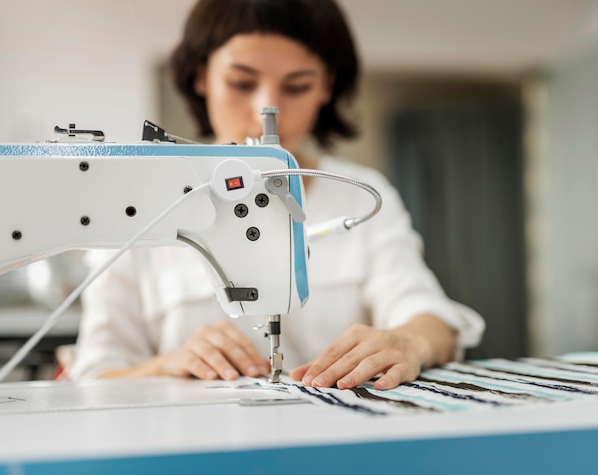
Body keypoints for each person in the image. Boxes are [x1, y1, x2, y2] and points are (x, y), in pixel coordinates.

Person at [69, 0, 484, 390]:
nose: (267, 108)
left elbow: (428, 317)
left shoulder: (360, 198)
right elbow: (95, 375)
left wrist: (408, 341)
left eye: (298, 86)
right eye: (242, 82)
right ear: (201, 77)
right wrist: (164, 366)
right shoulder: (141, 205)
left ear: (327, 86)